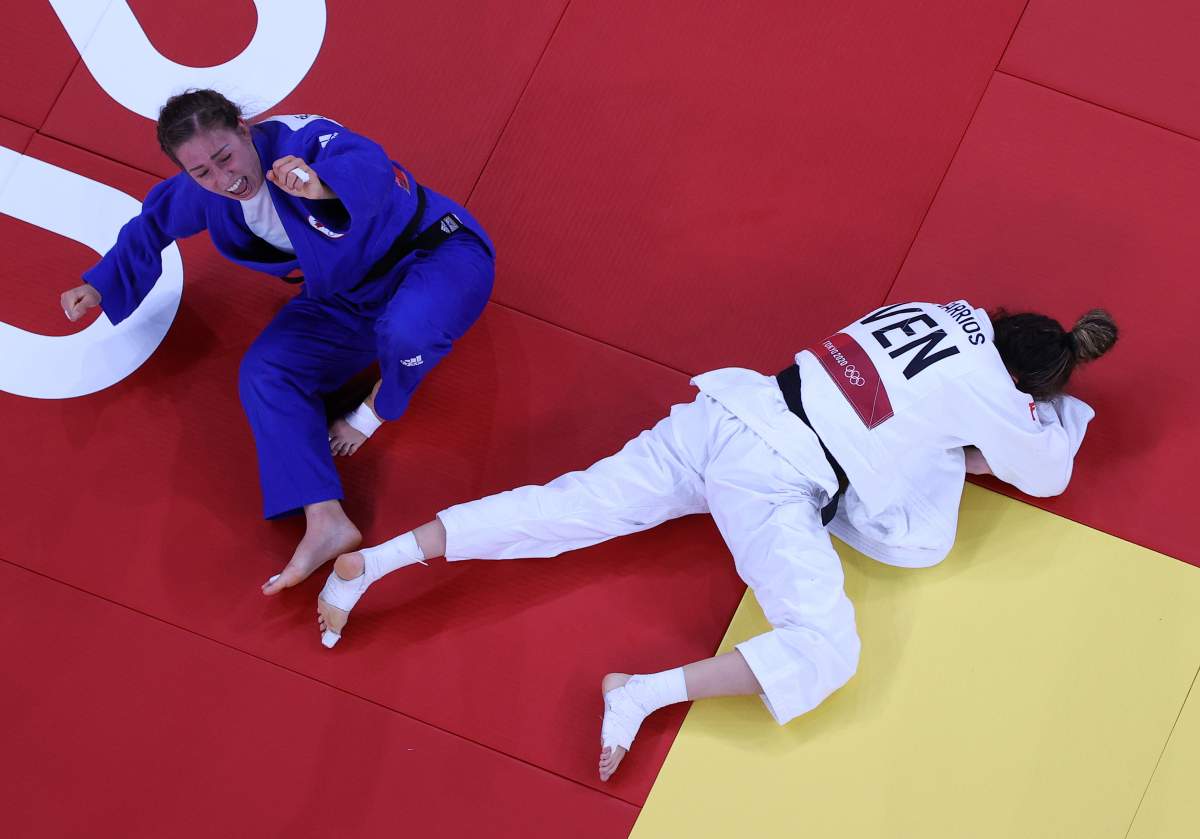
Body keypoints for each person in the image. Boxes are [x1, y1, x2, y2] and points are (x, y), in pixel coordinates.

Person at [313, 299, 1117, 781]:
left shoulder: (946, 310)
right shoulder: (999, 393)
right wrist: (1038, 416)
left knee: (565, 507)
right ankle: (642, 690)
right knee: (828, 648)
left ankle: (372, 563)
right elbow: (1045, 472)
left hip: (727, 415)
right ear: (1026, 387)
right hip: (772, 480)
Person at [58, 90, 495, 595]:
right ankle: (325, 517)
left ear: (244, 128)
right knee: (267, 372)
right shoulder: (207, 190)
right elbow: (153, 222)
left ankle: (377, 407)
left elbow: (369, 166)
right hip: (346, 297)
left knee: (407, 333)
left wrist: (320, 185)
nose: (225, 180)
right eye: (202, 173)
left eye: (225, 157)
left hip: (434, 256)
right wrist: (100, 284)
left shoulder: (302, 140)